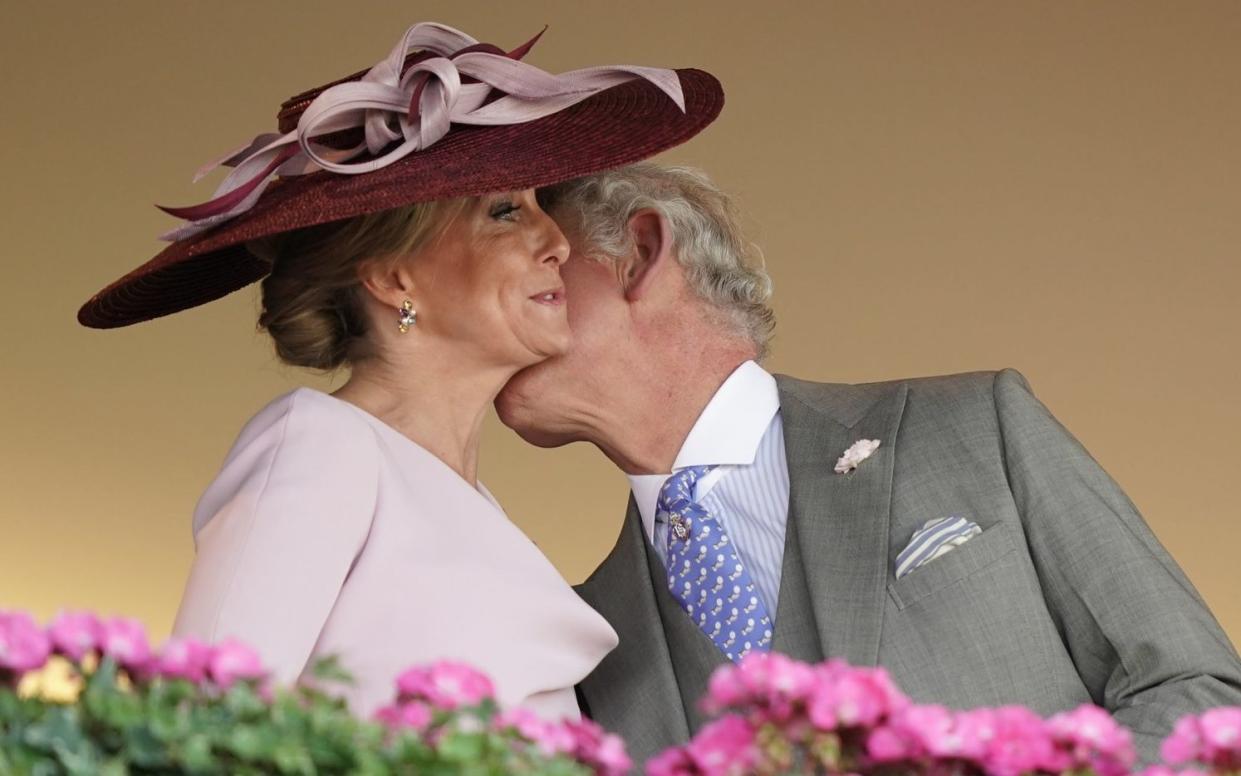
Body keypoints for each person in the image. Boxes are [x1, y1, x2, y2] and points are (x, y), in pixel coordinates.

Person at [76, 23, 723, 719]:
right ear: (393, 276)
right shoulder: (321, 444)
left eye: (541, 207)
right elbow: (202, 733)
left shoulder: (470, 507)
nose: (555, 242)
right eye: (505, 212)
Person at [495, 163, 1241, 760]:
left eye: (541, 274)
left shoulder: (977, 424)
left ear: (639, 255)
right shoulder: (585, 636)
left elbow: (1201, 692)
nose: (499, 316)